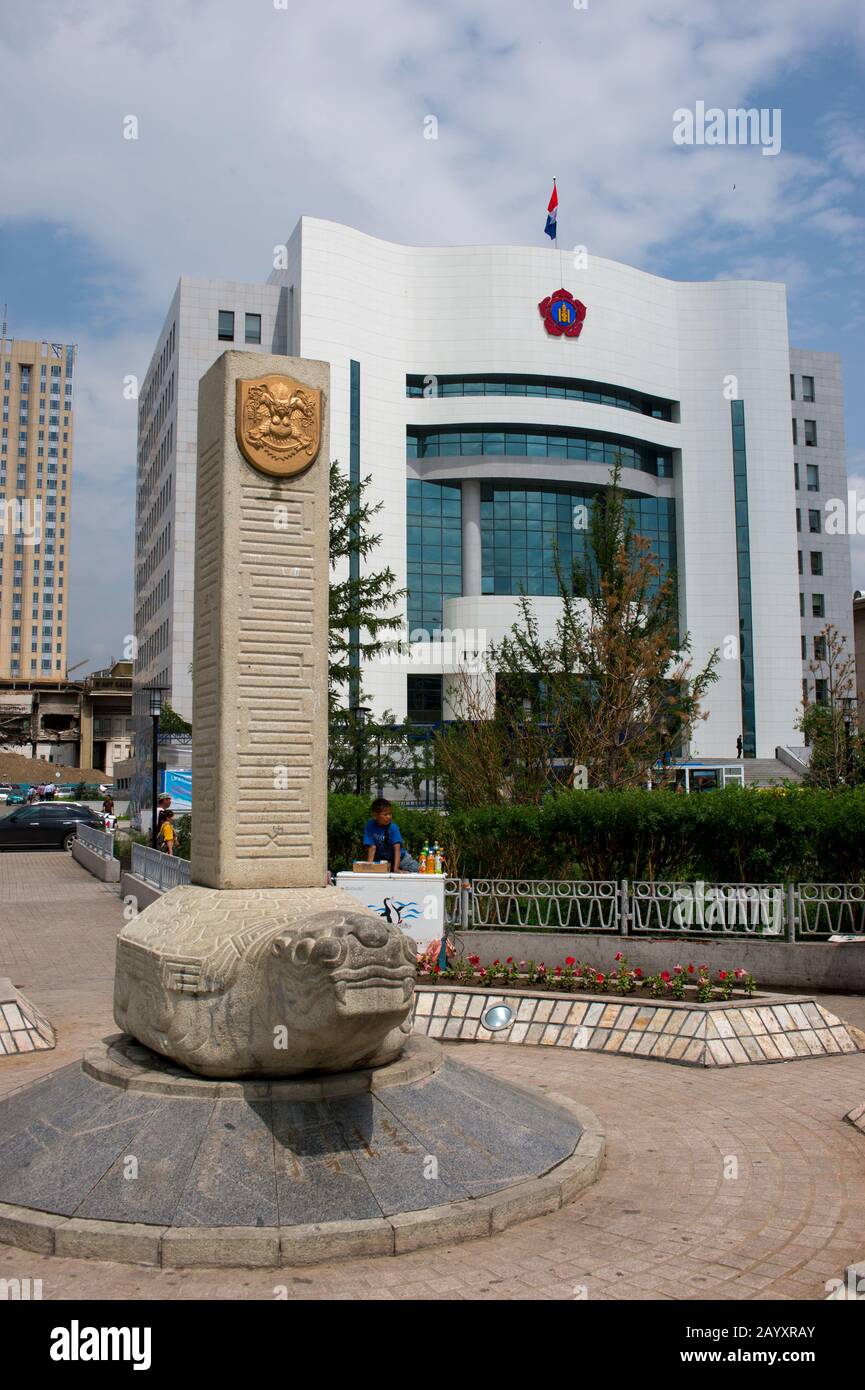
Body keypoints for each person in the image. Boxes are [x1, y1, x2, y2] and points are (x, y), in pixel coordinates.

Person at [362, 798, 420, 872]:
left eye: (390, 814)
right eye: (385, 814)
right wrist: (369, 867)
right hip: (384, 861)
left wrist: (396, 868)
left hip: (401, 859)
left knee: (418, 870)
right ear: (375, 815)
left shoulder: (393, 828)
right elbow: (372, 847)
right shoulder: (370, 825)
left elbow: (397, 849)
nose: (389, 817)